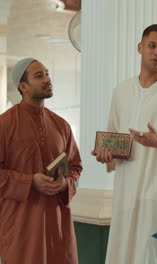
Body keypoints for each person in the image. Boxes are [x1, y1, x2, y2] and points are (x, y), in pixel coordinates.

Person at [93, 24, 157, 264]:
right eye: (152, 46)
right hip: (125, 195)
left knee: (152, 256)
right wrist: (106, 154)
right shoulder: (121, 91)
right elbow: (113, 139)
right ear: (140, 48)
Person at [0, 58, 82, 264]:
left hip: (58, 224)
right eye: (39, 75)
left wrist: (66, 183)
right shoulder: (4, 124)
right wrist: (30, 182)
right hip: (21, 229)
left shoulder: (61, 125)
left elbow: (75, 167)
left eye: (47, 73)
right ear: (23, 86)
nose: (47, 79)